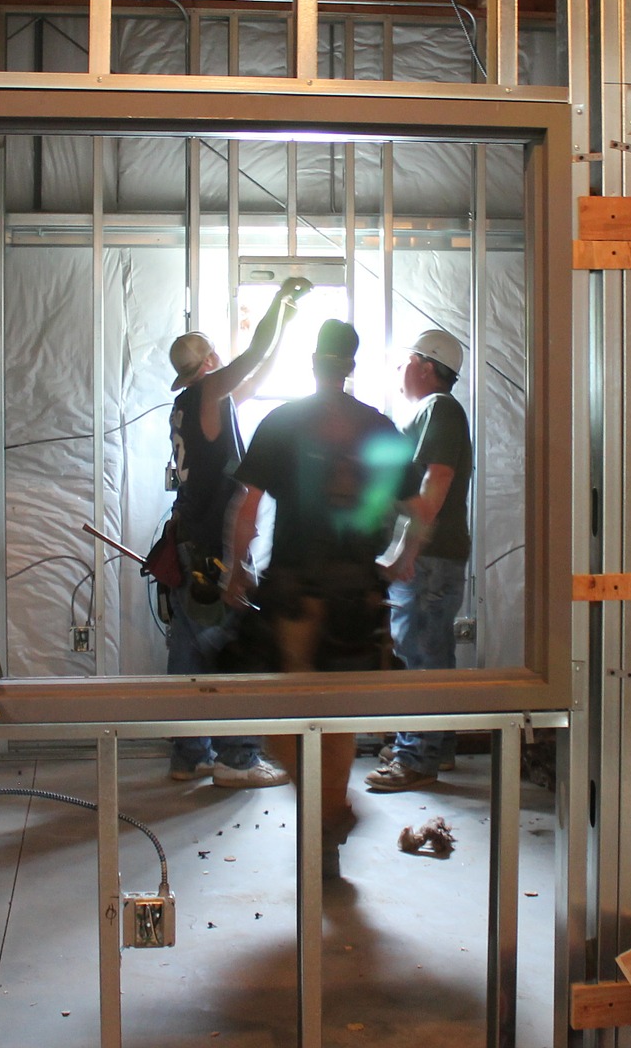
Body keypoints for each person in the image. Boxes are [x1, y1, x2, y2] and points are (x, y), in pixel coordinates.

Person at [222, 319, 413, 873]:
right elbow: (416, 507)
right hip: (357, 596)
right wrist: (399, 559)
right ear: (350, 365)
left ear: (313, 360)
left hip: (298, 591)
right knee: (337, 717)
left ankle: (324, 813)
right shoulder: (377, 427)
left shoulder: (284, 422)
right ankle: (327, 824)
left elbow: (249, 502)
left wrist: (239, 568)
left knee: (289, 709)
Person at [161, 275, 312, 788]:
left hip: (187, 545)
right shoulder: (207, 390)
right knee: (231, 647)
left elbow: (255, 368)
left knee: (185, 654)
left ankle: (190, 756)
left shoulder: (194, 403)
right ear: (207, 365)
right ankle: (238, 758)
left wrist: (285, 326)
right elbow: (250, 357)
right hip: (211, 552)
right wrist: (278, 302)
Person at [366, 329, 473, 792]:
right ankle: (436, 746)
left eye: (407, 361)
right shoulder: (433, 412)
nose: (401, 369)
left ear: (427, 366)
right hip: (434, 555)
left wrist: (407, 550)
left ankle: (417, 756)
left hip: (427, 556)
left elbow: (438, 478)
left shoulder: (440, 409)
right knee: (434, 651)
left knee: (419, 655)